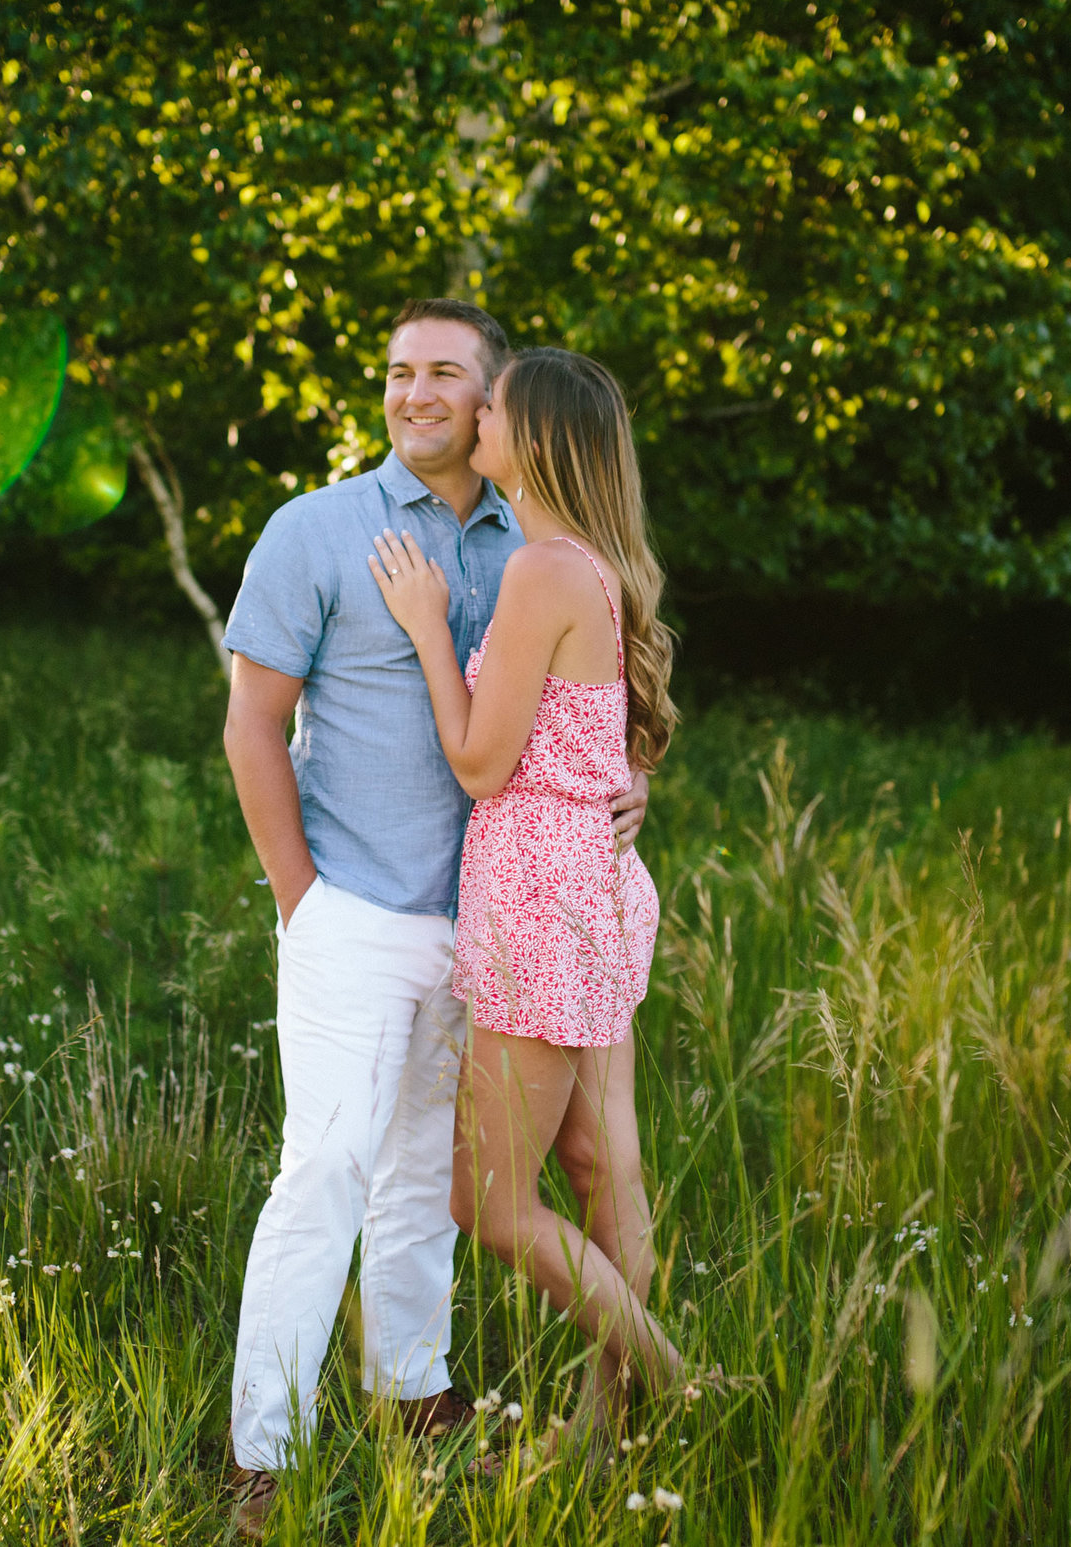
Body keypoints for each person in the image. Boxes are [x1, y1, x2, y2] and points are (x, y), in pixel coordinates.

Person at [218, 300, 649, 1537]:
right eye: (397, 370)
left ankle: (412, 1392)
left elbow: (582, 704)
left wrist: (623, 785)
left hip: (497, 921)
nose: (413, 393)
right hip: (352, 909)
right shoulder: (316, 529)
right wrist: (300, 898)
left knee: (423, 1180)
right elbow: (252, 722)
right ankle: (265, 1453)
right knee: (326, 1171)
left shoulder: (538, 537)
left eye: (444, 374)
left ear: (493, 399)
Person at [366, 346, 684, 1460]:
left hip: (539, 903)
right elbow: (596, 740)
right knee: (602, 1166)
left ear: (532, 437)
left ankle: (671, 1380)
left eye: (491, 402)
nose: (475, 411)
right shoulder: (587, 564)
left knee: (490, 1206)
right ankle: (607, 1431)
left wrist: (421, 619)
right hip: (584, 887)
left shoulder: (540, 571)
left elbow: (478, 761)